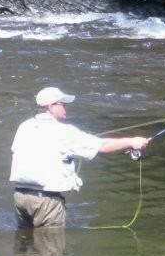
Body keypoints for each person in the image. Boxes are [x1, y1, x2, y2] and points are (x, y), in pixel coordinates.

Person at [9, 86, 150, 228]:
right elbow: (102, 146)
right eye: (63, 105)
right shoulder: (64, 131)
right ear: (51, 107)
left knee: (25, 243)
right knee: (50, 247)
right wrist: (132, 142)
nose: (66, 108)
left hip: (20, 197)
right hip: (47, 201)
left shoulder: (24, 127)